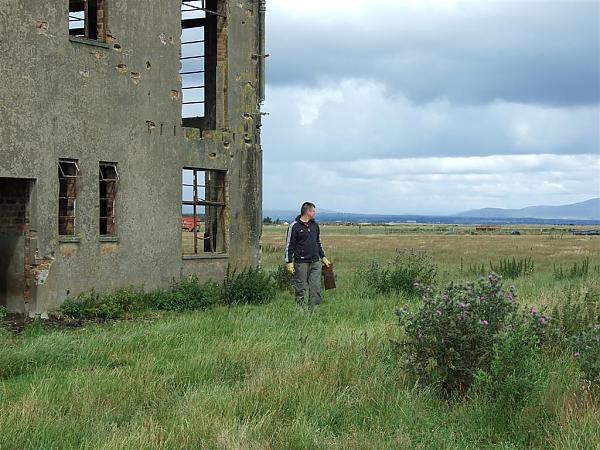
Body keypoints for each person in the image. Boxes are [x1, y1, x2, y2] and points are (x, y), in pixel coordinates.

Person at [284, 202, 332, 310]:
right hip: (301, 262)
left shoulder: (315, 225)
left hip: (315, 262)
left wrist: (323, 257)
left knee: (316, 287)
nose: (315, 213)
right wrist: (289, 262)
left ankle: (314, 309)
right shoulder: (294, 226)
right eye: (313, 211)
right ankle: (299, 309)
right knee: (300, 288)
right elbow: (289, 245)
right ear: (308, 211)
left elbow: (318, 242)